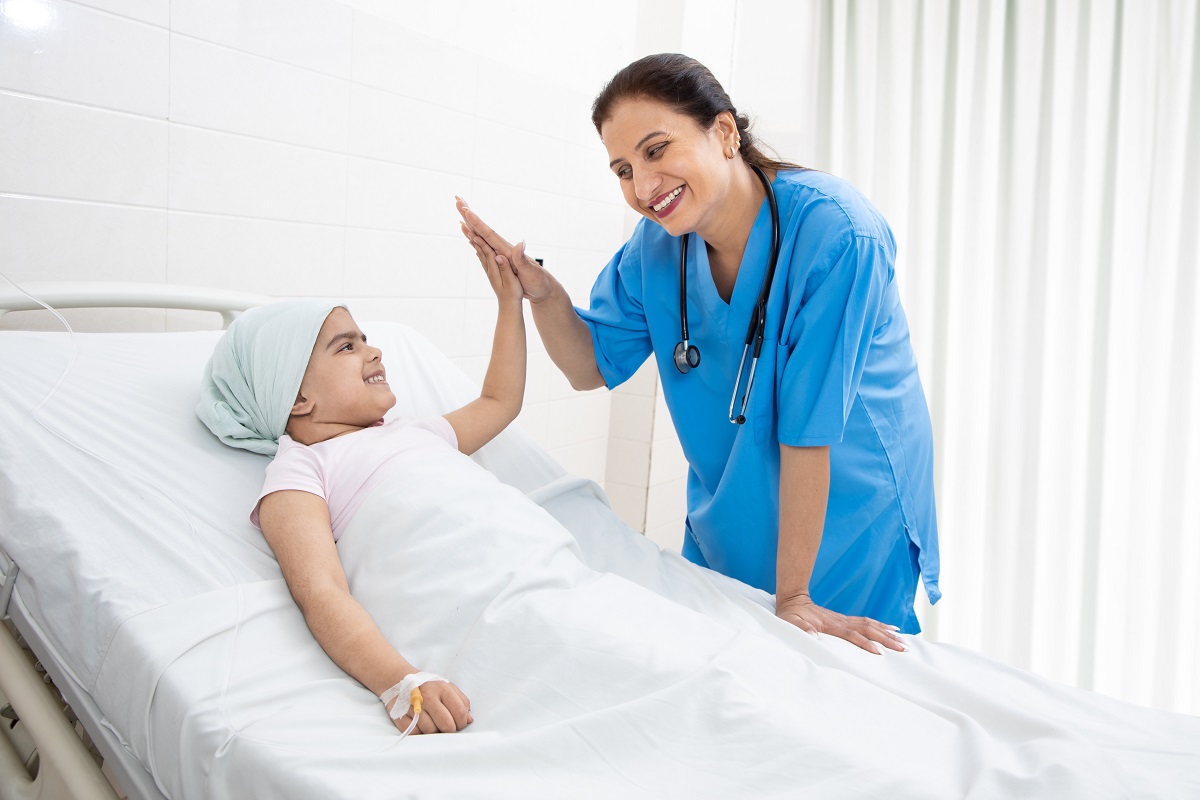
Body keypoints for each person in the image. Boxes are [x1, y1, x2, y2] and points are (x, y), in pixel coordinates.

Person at [457, 53, 939, 651]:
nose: (642, 186)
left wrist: (794, 597)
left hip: (847, 506)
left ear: (726, 132)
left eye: (656, 150)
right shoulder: (657, 248)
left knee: (835, 675)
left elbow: (811, 425)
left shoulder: (839, 234)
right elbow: (587, 366)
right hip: (734, 506)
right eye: (623, 170)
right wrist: (540, 291)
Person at [195, 242, 527, 735]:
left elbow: (500, 400)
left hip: (530, 563)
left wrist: (509, 304)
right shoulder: (302, 470)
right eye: (346, 346)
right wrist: (398, 680)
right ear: (298, 396)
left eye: (365, 339)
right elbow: (322, 593)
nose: (374, 350)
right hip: (481, 601)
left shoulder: (414, 431)